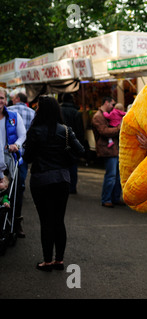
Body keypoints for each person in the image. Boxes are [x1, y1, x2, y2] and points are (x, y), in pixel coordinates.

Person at [23, 95, 84, 272]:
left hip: (41, 180)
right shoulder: (65, 130)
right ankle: (59, 260)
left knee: (46, 221)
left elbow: (27, 158)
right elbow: (80, 150)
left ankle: (47, 261)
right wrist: (65, 160)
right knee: (59, 220)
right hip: (62, 179)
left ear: (41, 110)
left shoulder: (35, 131)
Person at [7, 91, 35, 237]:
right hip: (21, 156)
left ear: (17, 99)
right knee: (18, 186)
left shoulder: (9, 111)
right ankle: (16, 221)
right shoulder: (33, 113)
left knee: (5, 186)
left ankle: (6, 217)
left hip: (5, 154)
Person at [0, 87, 26, 237]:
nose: (0, 101)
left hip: (9, 160)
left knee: (14, 192)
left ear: (6, 99)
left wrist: (16, 144)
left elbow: (22, 135)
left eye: (1, 98)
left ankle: (15, 223)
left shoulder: (14, 116)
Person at [92, 97, 122, 208]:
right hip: (108, 150)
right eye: (112, 104)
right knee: (111, 176)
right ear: (106, 103)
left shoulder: (106, 115)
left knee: (117, 176)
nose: (114, 107)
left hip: (114, 149)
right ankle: (107, 199)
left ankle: (115, 198)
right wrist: (119, 128)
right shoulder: (98, 117)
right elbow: (104, 131)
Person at [60, 93, 84, 194]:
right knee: (73, 166)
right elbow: (80, 130)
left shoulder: (58, 111)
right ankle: (72, 187)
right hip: (73, 143)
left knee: (61, 165)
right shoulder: (76, 112)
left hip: (59, 142)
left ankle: (62, 186)